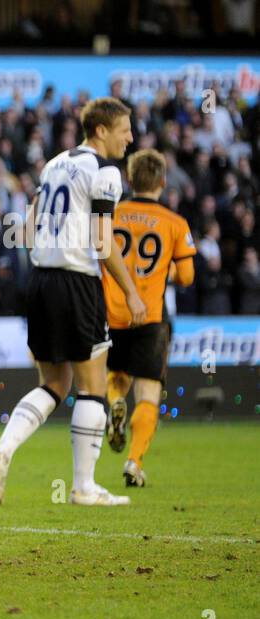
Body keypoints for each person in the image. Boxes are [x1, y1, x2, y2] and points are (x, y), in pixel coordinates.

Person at [0, 98, 147, 507]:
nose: (131, 137)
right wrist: (130, 291)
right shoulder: (105, 171)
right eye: (125, 129)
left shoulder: (53, 164)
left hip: (40, 280)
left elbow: (30, 228)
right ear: (101, 130)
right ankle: (84, 488)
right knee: (92, 388)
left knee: (53, 384)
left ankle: (1, 454)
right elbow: (102, 242)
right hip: (77, 281)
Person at [103, 149, 195, 488]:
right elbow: (187, 277)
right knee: (148, 393)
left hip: (113, 313)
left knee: (116, 377)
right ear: (162, 181)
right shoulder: (175, 223)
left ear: (129, 179)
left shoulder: (112, 215)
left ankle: (114, 405)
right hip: (151, 316)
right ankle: (133, 461)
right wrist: (164, 267)